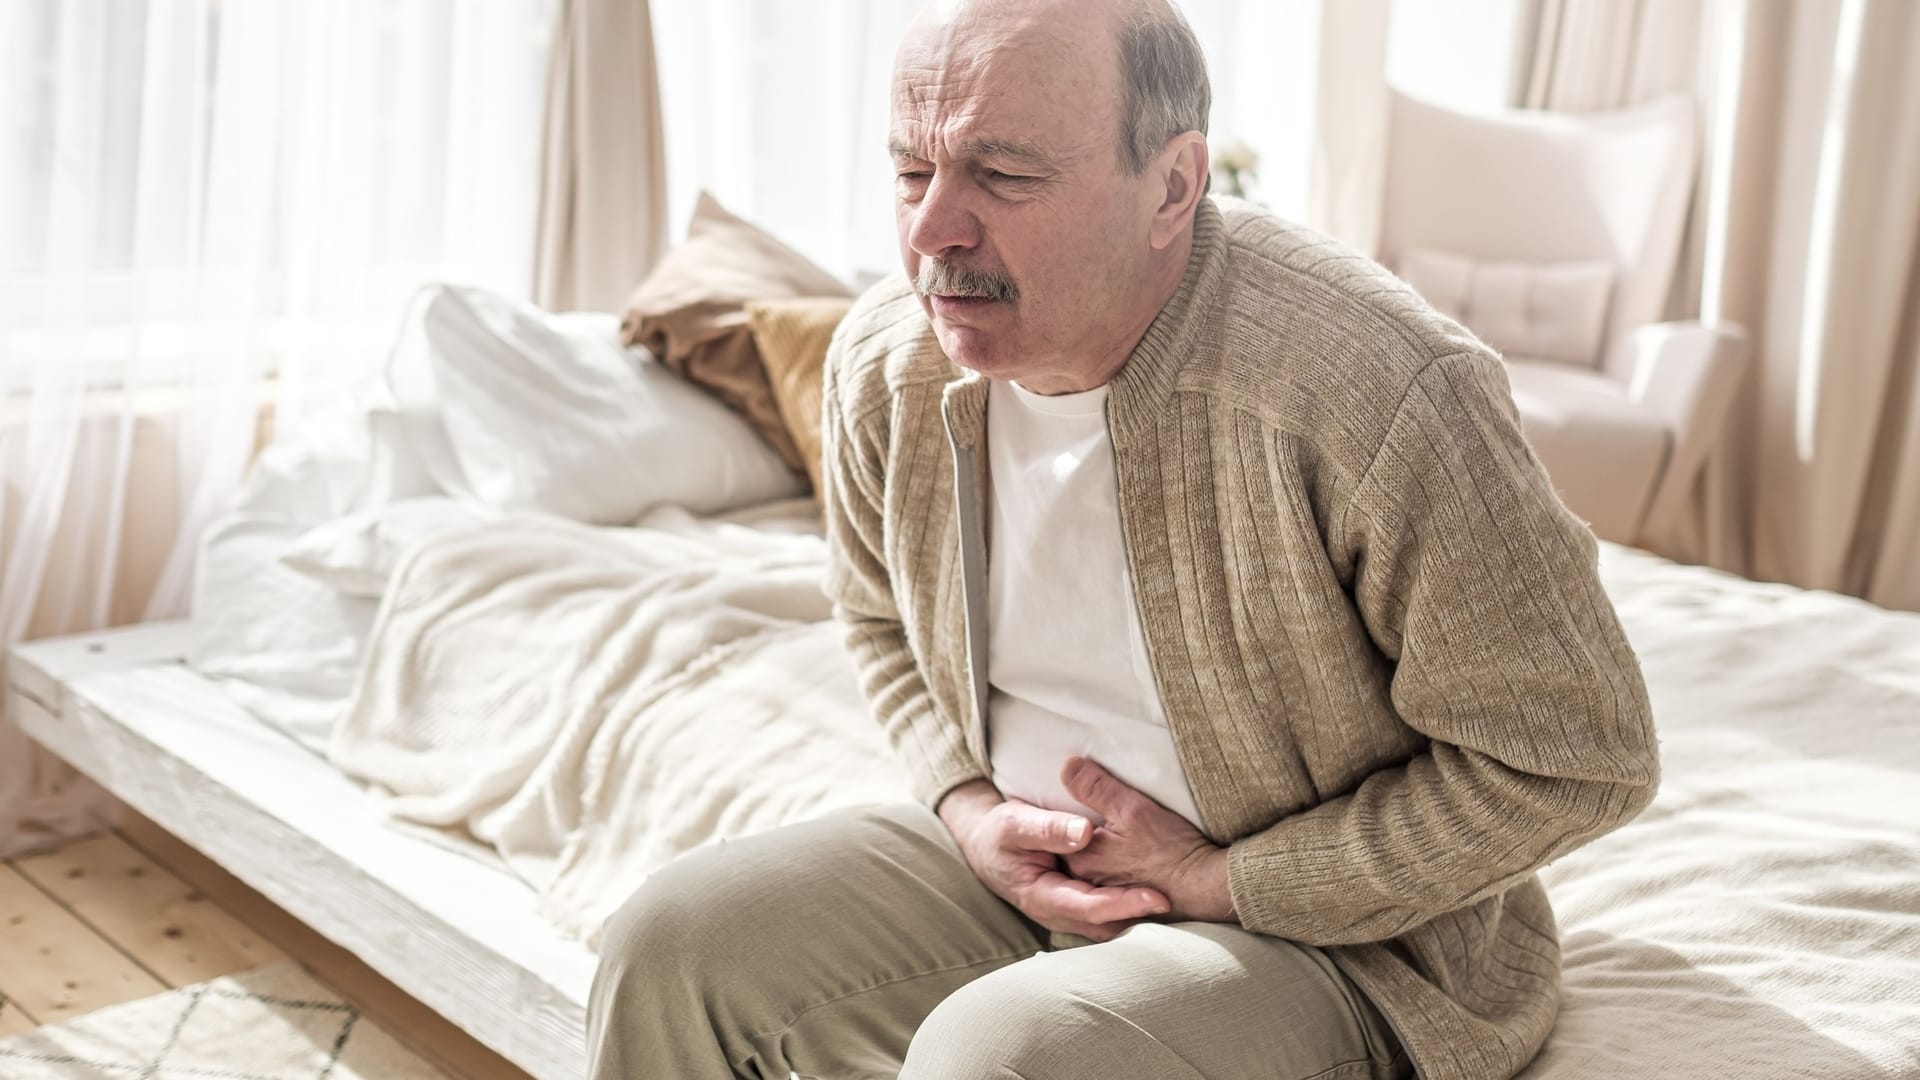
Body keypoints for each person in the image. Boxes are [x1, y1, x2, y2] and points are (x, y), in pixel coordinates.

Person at [589, 0, 1659, 1077]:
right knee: (669, 946)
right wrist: (966, 811)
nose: (932, 232)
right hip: (1015, 872)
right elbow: (875, 618)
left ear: (1174, 187)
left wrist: (1219, 880)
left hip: (1339, 941)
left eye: (1002, 176)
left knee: (1005, 1055)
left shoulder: (1378, 386)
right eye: (913, 173)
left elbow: (1573, 759)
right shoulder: (886, 363)